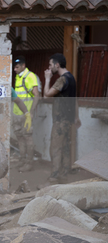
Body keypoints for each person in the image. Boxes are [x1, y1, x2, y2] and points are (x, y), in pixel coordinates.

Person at [43, 53, 80, 186]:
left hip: (60, 121)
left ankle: (53, 179)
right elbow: (74, 100)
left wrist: (47, 79)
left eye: (50, 64)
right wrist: (76, 117)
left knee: (56, 149)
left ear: (57, 65)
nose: (49, 67)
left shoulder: (62, 79)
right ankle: (63, 178)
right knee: (65, 149)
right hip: (68, 121)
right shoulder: (72, 78)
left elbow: (47, 95)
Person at [12, 55, 40, 172]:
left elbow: (36, 95)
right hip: (17, 113)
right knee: (20, 138)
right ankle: (22, 160)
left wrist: (31, 113)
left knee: (28, 138)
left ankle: (29, 163)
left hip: (26, 114)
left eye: (17, 67)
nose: (14, 69)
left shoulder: (30, 76)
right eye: (14, 67)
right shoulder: (18, 77)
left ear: (23, 66)